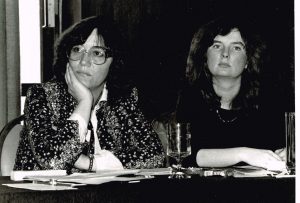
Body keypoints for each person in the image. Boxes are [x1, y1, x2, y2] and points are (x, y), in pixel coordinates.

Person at [14, 16, 165, 173]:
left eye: (97, 53)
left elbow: (154, 156)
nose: (84, 61)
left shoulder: (123, 99)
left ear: (115, 61)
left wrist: (91, 164)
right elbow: (54, 162)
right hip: (41, 195)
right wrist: (84, 102)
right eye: (77, 49)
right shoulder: (42, 95)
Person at [177, 16, 286, 171]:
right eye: (216, 46)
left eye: (236, 47)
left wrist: (287, 152)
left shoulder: (265, 99)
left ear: (248, 59)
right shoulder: (191, 96)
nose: (225, 54)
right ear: (204, 56)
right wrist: (243, 154)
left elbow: (277, 148)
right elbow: (189, 156)